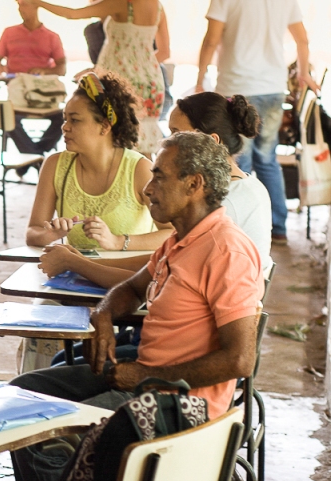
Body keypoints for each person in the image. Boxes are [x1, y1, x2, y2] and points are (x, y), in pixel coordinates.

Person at [11, 131, 264, 481]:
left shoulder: (226, 250)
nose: (148, 189)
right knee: (21, 395)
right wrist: (102, 316)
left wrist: (150, 375)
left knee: (42, 431)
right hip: (143, 381)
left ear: (194, 184)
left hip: (180, 402)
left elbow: (240, 360)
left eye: (159, 176)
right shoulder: (179, 241)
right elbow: (130, 288)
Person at [45, 92, 271, 367]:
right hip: (169, 340)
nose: (148, 190)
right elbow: (153, 269)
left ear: (208, 145)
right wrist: (98, 260)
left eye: (176, 132)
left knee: (65, 365)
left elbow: (238, 359)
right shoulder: (241, 191)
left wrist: (79, 262)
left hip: (182, 355)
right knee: (63, 361)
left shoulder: (217, 217)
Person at [22, 72, 171, 371]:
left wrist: (120, 242)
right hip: (74, 285)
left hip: (125, 287)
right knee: (40, 325)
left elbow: (171, 234)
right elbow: (33, 233)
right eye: (64, 118)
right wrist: (51, 233)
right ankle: (37, 395)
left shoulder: (138, 168)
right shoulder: (55, 166)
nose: (64, 127)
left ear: (104, 126)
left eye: (75, 120)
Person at [196, 0, 320, 246]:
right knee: (267, 159)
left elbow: (211, 39)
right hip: (273, 89)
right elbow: (302, 40)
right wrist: (304, 72)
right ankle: (278, 227)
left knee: (240, 162)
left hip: (236, 86)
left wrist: (201, 78)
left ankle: (239, 227)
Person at [30, 0, 166, 157]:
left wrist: (39, 3)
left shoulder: (122, 3)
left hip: (122, 82)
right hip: (151, 81)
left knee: (117, 141)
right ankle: (144, 180)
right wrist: (137, 65)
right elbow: (164, 52)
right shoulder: (158, 7)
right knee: (143, 143)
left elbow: (72, 13)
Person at [0, 0, 66, 162]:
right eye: (19, 5)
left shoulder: (52, 37)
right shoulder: (9, 33)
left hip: (43, 95)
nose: (20, 9)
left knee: (65, 117)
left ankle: (32, 157)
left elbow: (62, 69)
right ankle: (37, 159)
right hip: (17, 94)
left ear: (36, 5)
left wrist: (44, 71)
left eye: (24, 4)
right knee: (7, 117)